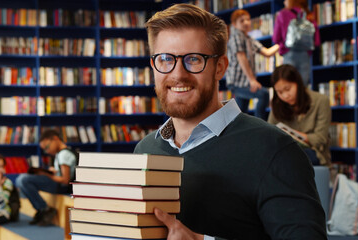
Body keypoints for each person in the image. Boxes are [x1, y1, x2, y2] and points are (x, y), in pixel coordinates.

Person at [134, 3, 326, 239]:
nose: (177, 74)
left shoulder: (275, 150)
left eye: (193, 59)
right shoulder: (144, 151)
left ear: (220, 67)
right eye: (165, 59)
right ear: (154, 66)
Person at [268, 64, 331, 166]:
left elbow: (320, 139)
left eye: (288, 89)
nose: (285, 95)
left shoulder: (321, 101)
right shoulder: (277, 105)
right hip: (284, 154)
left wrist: (292, 135)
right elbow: (269, 137)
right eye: (280, 92)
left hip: (315, 155)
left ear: (297, 83)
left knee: (295, 155)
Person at [16, 129, 77, 226]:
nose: (47, 151)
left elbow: (65, 180)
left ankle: (44, 209)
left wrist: (46, 174)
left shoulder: (64, 154)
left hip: (61, 186)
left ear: (55, 139)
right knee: (21, 180)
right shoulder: (61, 154)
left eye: (47, 147)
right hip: (57, 183)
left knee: (23, 180)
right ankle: (42, 209)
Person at [226, 9, 279, 120]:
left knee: (240, 114)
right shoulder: (236, 36)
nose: (246, 22)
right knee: (263, 94)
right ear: (235, 24)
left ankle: (239, 132)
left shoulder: (249, 39)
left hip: (246, 83)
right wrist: (252, 80)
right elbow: (241, 58)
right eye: (242, 21)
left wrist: (282, 43)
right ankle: (260, 124)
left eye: (248, 20)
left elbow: (267, 53)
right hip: (238, 83)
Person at [273, 0, 320, 86]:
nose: (284, 2)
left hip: (289, 53)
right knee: (302, 86)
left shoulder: (283, 14)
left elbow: (275, 38)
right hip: (305, 54)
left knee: (289, 85)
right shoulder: (308, 15)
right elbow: (316, 41)